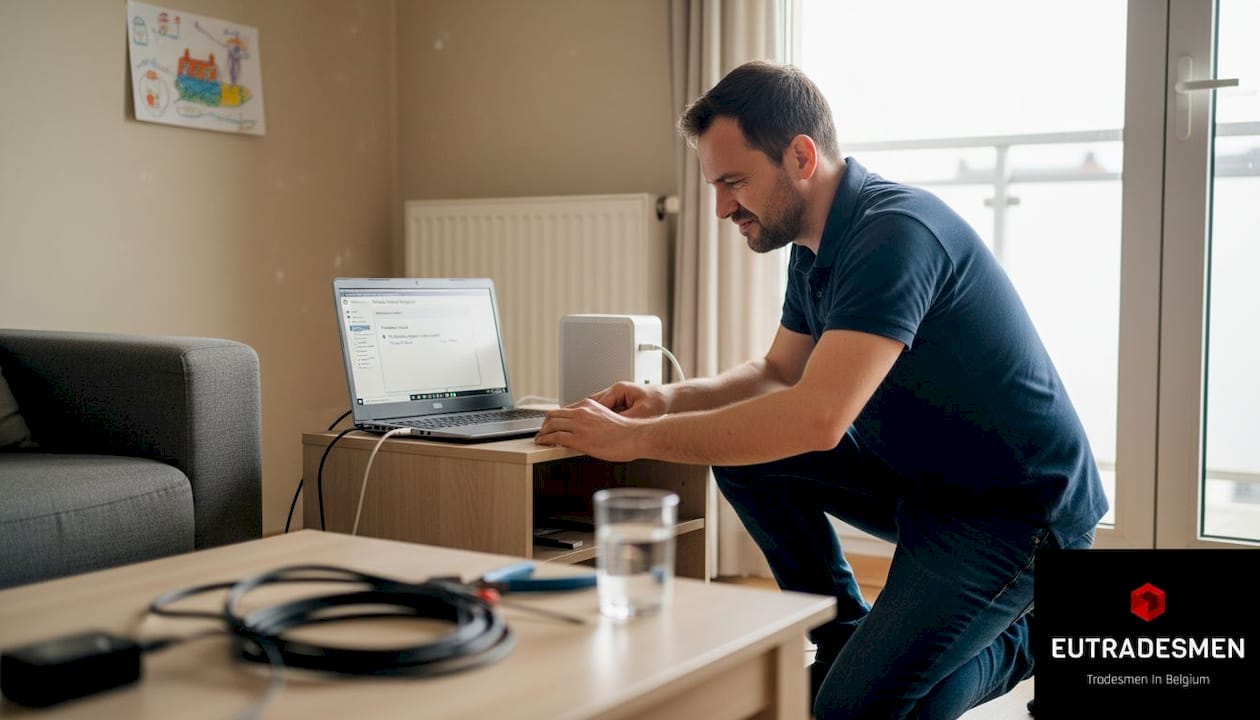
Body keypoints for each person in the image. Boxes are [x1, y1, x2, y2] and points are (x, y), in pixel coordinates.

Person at [535, 60, 1108, 719]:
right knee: (747, 459)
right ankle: (841, 631)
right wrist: (666, 398)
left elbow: (817, 420)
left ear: (801, 156)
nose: (721, 207)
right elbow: (776, 372)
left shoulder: (895, 235)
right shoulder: (814, 247)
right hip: (927, 485)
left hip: (1016, 510)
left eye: (733, 182)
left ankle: (1032, 641)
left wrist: (635, 439)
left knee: (849, 712)